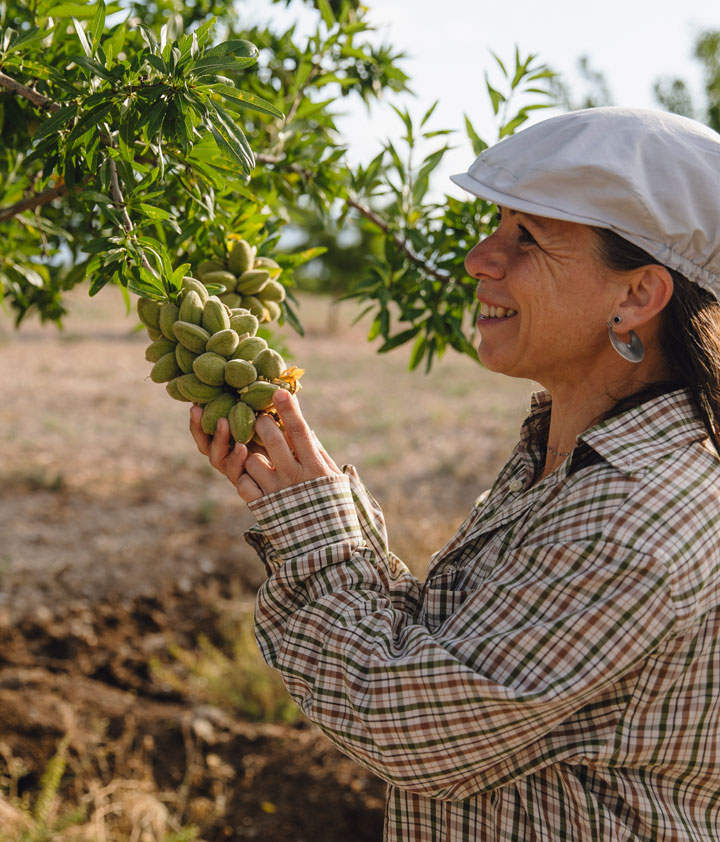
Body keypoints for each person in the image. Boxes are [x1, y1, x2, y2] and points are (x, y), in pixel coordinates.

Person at [190, 107, 720, 841]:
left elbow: (406, 722)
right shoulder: (573, 457)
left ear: (637, 297)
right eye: (497, 226)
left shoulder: (633, 520)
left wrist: (314, 528)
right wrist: (316, 503)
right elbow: (444, 647)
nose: (479, 259)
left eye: (527, 238)